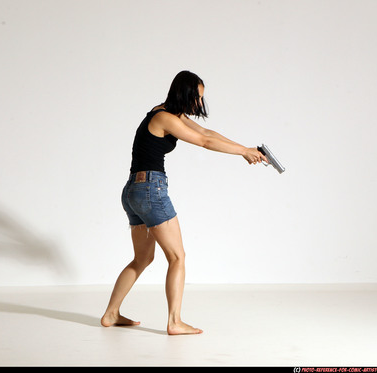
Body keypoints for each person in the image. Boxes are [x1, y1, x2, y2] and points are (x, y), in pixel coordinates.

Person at [101, 71, 267, 335]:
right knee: (177, 257)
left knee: (142, 258)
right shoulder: (164, 118)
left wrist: (246, 149)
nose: (199, 102)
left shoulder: (166, 113)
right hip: (150, 190)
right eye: (197, 97)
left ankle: (110, 314)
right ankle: (174, 322)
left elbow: (207, 131)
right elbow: (204, 141)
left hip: (133, 190)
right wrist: (243, 152)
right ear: (184, 93)